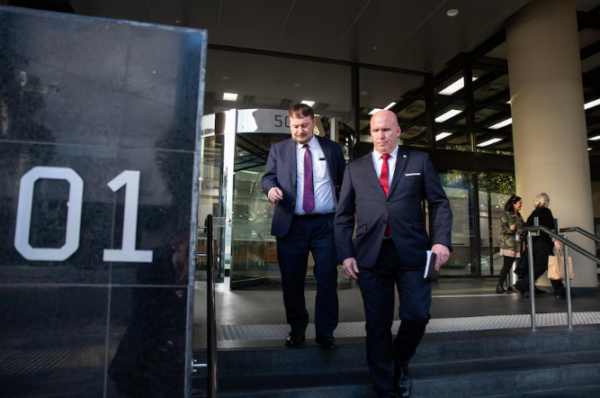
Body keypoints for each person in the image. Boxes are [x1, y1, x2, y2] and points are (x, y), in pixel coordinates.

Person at [335, 110, 452, 398]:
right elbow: (342, 216)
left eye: (386, 130)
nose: (381, 136)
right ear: (370, 133)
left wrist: (441, 242)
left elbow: (439, 203)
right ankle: (384, 387)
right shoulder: (355, 168)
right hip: (371, 255)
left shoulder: (418, 161)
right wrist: (346, 254)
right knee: (377, 324)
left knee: (416, 315)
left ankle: (399, 361)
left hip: (412, 252)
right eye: (376, 131)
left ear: (398, 131)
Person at [261, 103, 346, 350]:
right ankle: (297, 329)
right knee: (292, 280)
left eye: (305, 125)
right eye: (295, 126)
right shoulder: (279, 150)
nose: (300, 130)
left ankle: (326, 332)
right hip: (291, 224)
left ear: (314, 124)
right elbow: (267, 177)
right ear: (290, 125)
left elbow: (345, 182)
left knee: (327, 278)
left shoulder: (331, 149)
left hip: (325, 225)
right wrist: (271, 189)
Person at [513, 193, 566, 299]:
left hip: (535, 244)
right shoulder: (546, 212)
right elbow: (550, 228)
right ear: (546, 201)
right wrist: (556, 241)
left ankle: (560, 291)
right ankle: (521, 285)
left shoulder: (534, 213)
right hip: (544, 244)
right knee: (544, 266)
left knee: (549, 266)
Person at [497, 195, 524, 294]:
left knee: (520, 265)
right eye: (520, 203)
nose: (521, 205)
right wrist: (511, 229)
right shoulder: (506, 215)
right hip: (509, 244)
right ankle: (499, 286)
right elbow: (504, 229)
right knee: (507, 265)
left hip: (518, 245)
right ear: (514, 203)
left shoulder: (519, 216)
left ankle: (513, 286)